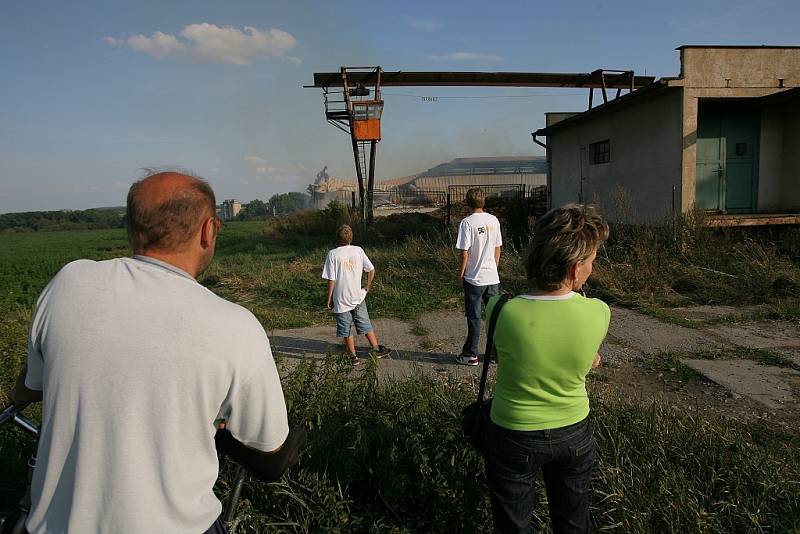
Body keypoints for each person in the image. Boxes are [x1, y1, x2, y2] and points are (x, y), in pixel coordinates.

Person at [11, 171, 294, 534]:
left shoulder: (67, 283)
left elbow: (31, 385)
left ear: (131, 229)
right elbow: (270, 449)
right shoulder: (237, 326)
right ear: (209, 231)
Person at [484, 204, 610, 534]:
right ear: (573, 268)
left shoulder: (500, 308)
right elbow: (587, 360)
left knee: (513, 526)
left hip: (512, 430)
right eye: (591, 261)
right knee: (572, 524)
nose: (592, 269)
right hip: (573, 430)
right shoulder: (598, 312)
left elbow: (500, 354)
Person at [322, 224, 391, 365]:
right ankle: (377, 349)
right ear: (351, 237)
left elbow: (332, 279)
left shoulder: (332, 254)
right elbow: (371, 269)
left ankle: (353, 356)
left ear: (337, 238)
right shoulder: (358, 250)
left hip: (341, 299)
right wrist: (368, 286)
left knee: (346, 328)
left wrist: (329, 298)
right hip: (357, 297)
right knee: (365, 323)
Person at [455, 188, 502, 366]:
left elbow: (464, 254)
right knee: (494, 317)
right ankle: (495, 353)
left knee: (474, 317)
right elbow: (498, 247)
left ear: (467, 202)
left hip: (474, 278)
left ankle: (470, 354)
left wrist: (460, 274)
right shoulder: (493, 220)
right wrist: (494, 267)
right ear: (484, 201)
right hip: (492, 277)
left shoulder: (467, 223)